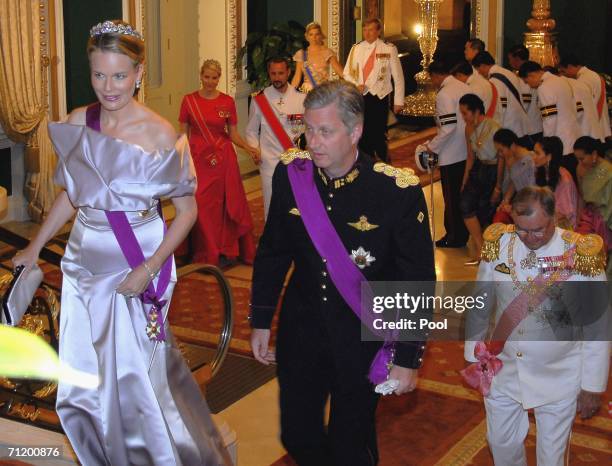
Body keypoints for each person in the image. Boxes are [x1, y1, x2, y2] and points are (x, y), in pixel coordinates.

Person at [12, 20, 232, 465]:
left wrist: (147, 269)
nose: (108, 87)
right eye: (98, 75)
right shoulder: (79, 122)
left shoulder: (159, 134)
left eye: (118, 76)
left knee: (136, 376)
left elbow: (187, 213)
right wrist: (34, 249)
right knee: (87, 376)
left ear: (138, 72)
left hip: (139, 260)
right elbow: (72, 195)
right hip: (82, 263)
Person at [249, 80, 435, 465]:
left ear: (355, 131)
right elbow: (273, 251)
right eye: (309, 129)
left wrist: (407, 357)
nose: (313, 142)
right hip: (301, 332)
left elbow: (417, 278)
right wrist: (261, 320)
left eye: (326, 131)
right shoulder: (291, 175)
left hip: (362, 337)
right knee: (297, 436)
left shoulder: (395, 191)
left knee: (351, 444)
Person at [465, 186, 609, 466]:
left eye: (539, 230)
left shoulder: (579, 254)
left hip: (559, 376)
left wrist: (593, 385)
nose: (530, 238)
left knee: (551, 458)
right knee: (500, 444)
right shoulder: (499, 244)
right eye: (522, 230)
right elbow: (480, 302)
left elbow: (597, 326)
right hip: (502, 369)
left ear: (554, 216)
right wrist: (473, 353)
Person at [179, 59, 258, 266]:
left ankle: (224, 249)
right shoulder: (189, 101)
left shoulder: (227, 101)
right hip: (198, 159)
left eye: (214, 78)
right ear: (201, 76)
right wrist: (181, 160)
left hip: (224, 160)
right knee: (201, 204)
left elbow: (233, 134)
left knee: (225, 204)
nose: (210, 82)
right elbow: (183, 135)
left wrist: (249, 148)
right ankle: (206, 250)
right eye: (207, 77)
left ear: (219, 78)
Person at [246, 57, 306, 218]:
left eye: (281, 73)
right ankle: (271, 239)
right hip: (269, 159)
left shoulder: (301, 98)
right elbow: (251, 130)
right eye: (273, 74)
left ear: (288, 72)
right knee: (271, 201)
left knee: (295, 202)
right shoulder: (260, 99)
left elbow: (308, 130)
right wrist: (255, 150)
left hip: (295, 159)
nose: (277, 77)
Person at [343, 17, 405, 163]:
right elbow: (346, 72)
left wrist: (398, 101)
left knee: (378, 133)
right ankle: (366, 163)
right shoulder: (356, 48)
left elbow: (398, 77)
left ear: (378, 31)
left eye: (371, 29)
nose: (367, 33)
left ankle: (384, 163)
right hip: (360, 97)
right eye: (365, 30)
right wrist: (355, 83)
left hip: (380, 97)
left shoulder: (388, 48)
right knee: (362, 132)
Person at [426, 60, 470, 248]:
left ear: (436, 75)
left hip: (451, 152)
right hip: (465, 148)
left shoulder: (444, 94)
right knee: (460, 194)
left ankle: (454, 236)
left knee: (451, 198)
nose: (432, 82)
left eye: (432, 78)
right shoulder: (462, 86)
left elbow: (448, 126)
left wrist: (432, 147)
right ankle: (460, 232)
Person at [519, 61, 581, 184]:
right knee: (572, 180)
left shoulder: (544, 87)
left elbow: (549, 119)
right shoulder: (561, 81)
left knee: (561, 182)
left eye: (527, 81)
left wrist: (546, 146)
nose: (530, 86)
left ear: (531, 75)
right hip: (573, 138)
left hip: (560, 142)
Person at [458, 93, 502, 265]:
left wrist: (498, 186)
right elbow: (470, 156)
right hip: (478, 169)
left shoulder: (493, 127)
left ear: (476, 111)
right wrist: (464, 181)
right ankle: (479, 245)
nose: (463, 117)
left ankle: (487, 254)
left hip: (493, 170)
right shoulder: (468, 128)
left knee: (486, 210)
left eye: (465, 113)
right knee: (465, 204)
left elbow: (501, 158)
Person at [472, 51, 530, 145]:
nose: (479, 73)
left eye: (478, 69)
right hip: (520, 123)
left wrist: (497, 132)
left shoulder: (495, 80)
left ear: (483, 65)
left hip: (509, 126)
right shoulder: (508, 72)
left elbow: (500, 107)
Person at [574, 136, 612, 267]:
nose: (580, 162)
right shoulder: (580, 169)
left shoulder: (609, 171)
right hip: (588, 216)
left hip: (605, 218)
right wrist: (578, 217)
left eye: (582, 158)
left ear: (594, 154)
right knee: (580, 247)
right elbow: (581, 195)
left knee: (601, 254)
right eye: (577, 159)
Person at [559, 55, 611, 141]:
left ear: (570, 67)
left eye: (564, 71)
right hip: (598, 122)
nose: (565, 75)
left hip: (593, 123)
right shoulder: (591, 74)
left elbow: (585, 105)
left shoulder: (583, 79)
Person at [533, 136, 579, 230]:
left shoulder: (564, 178)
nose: (534, 157)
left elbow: (564, 214)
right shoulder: (542, 172)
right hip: (549, 218)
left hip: (564, 225)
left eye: (537, 153)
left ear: (549, 156)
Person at [492, 129, 536, 224]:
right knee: (499, 217)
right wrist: (505, 201)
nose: (500, 154)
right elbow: (514, 181)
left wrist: (513, 208)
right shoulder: (512, 159)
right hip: (521, 204)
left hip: (533, 207)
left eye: (501, 150)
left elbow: (533, 193)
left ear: (512, 146)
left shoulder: (530, 161)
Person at [291, 22, 344, 92]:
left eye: (317, 34)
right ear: (307, 37)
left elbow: (341, 72)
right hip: (307, 92)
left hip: (323, 91)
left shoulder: (327, 52)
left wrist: (354, 84)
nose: (314, 38)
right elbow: (297, 77)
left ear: (321, 36)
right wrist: (289, 94)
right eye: (311, 35)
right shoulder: (301, 54)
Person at [507, 44, 543, 145]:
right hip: (537, 125)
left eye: (510, 59)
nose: (509, 62)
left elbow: (523, 104)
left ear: (517, 59)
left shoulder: (524, 76)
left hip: (530, 128)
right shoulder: (533, 71)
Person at [451, 60, 502, 124]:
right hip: (493, 122)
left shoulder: (473, 87)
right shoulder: (481, 80)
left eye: (455, 80)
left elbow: (472, 113)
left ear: (459, 75)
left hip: (485, 125)